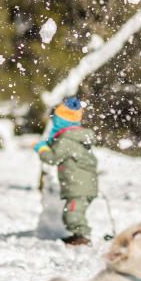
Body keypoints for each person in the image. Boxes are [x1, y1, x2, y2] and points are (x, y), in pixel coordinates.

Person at [34, 97, 98, 246]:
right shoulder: (73, 138)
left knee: (73, 214)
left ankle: (83, 237)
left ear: (61, 121)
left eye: (56, 119)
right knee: (73, 213)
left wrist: (42, 149)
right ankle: (79, 235)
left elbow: (52, 158)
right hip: (81, 184)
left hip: (79, 186)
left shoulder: (67, 140)